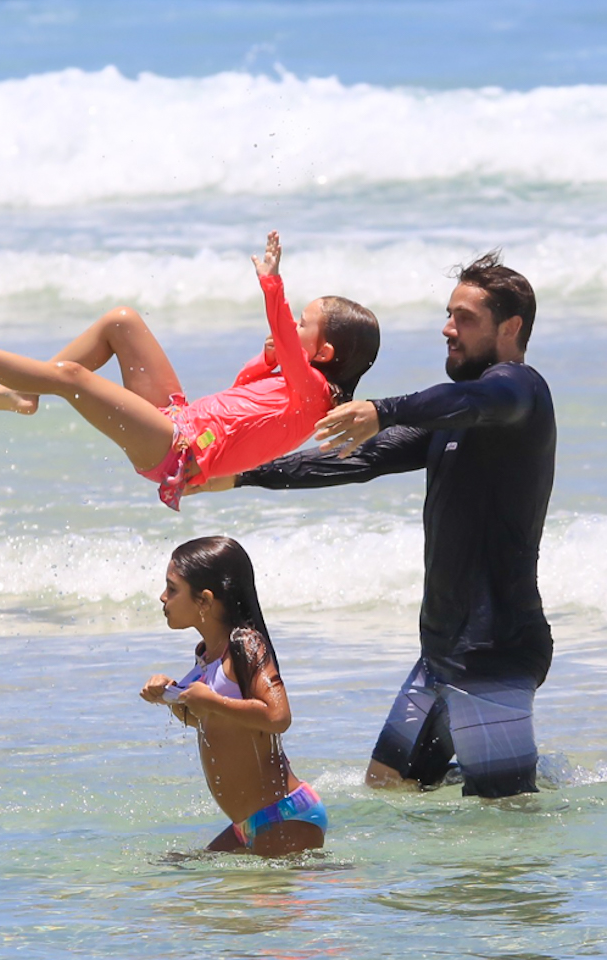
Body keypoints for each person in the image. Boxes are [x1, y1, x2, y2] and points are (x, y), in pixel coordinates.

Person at [201, 251, 555, 798]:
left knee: (505, 815)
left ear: (510, 329)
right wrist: (241, 475)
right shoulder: (454, 418)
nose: (447, 328)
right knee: (390, 785)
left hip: (494, 653)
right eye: (449, 313)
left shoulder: (518, 392)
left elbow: (475, 398)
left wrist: (383, 408)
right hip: (442, 652)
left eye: (465, 318)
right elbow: (362, 459)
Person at [0, 232, 378, 510]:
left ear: (324, 352)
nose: (291, 326)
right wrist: (270, 359)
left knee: (73, 378)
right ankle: (25, 394)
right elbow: (241, 392)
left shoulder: (316, 394)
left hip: (178, 452)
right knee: (122, 322)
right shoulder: (297, 381)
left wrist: (271, 284)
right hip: (178, 420)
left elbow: (286, 360)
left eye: (302, 324)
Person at [141, 536, 327, 854]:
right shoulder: (207, 654)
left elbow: (278, 717)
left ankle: (350, 879)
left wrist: (210, 700)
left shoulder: (247, 645)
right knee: (184, 875)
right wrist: (171, 696)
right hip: (250, 825)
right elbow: (213, 722)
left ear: (205, 601)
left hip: (284, 816)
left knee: (253, 899)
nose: (162, 597)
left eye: (172, 589)